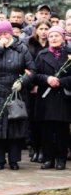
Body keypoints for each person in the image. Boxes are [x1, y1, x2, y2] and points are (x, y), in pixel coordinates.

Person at [0, 20, 35, 170]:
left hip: (16, 92)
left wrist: (23, 81)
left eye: (5, 33)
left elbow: (32, 70)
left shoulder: (21, 48)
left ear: (11, 33)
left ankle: (14, 160)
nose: (3, 36)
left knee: (15, 127)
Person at [33, 26, 71, 170]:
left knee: (62, 130)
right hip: (46, 98)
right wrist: (47, 79)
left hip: (63, 97)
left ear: (63, 37)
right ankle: (48, 159)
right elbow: (34, 75)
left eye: (56, 36)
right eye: (51, 36)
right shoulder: (42, 55)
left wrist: (61, 81)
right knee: (47, 129)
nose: (53, 39)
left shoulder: (69, 54)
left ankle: (61, 159)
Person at [26, 20, 50, 163]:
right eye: (41, 28)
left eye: (46, 28)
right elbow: (28, 67)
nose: (44, 31)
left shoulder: (51, 45)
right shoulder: (30, 45)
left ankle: (42, 149)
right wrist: (31, 85)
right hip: (32, 88)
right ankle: (34, 147)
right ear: (36, 30)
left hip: (46, 87)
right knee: (32, 120)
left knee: (43, 120)